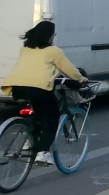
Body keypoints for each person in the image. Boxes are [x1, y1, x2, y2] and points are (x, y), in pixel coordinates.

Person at [1, 21, 85, 166]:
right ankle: (43, 153)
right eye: (53, 35)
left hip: (17, 88)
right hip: (39, 89)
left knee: (36, 114)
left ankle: (29, 139)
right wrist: (82, 79)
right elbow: (69, 70)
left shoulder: (25, 49)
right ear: (49, 36)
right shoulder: (54, 51)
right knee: (52, 119)